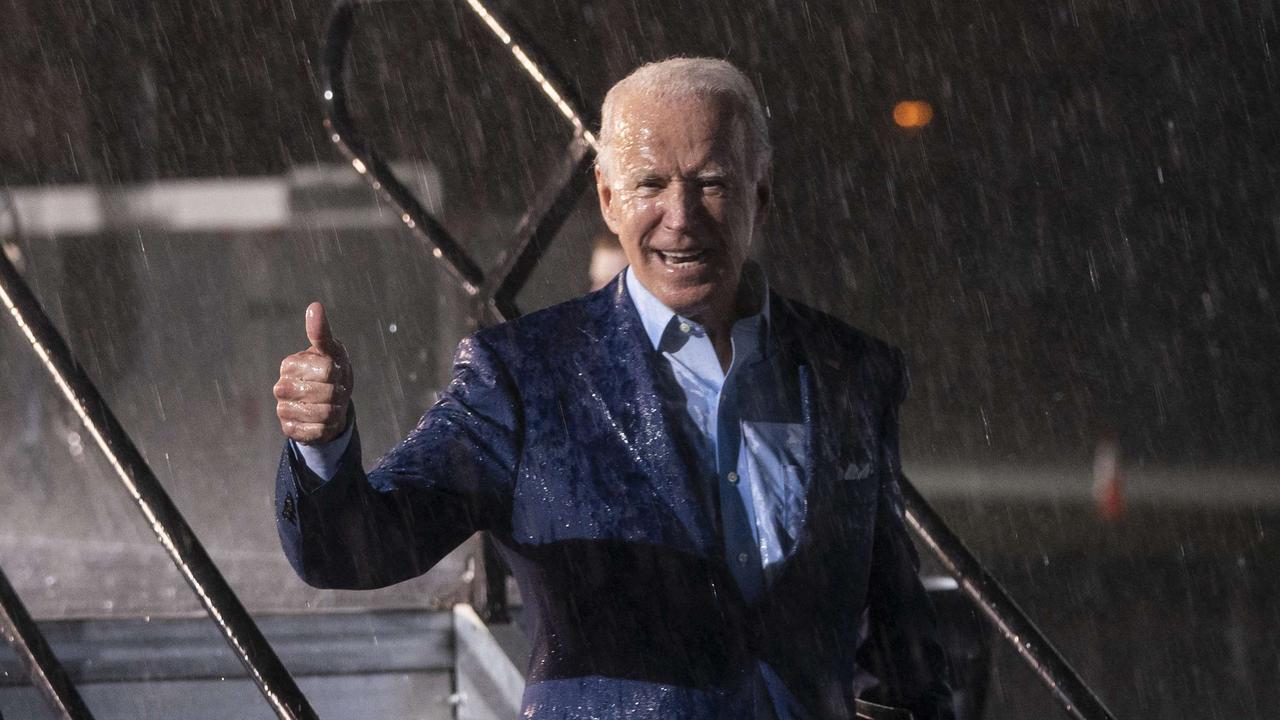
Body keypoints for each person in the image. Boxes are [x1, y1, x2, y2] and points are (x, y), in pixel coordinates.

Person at [273, 57, 954, 720]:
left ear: (763, 193)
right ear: (606, 198)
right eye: (649, 184)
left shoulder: (850, 372)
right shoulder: (525, 376)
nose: (680, 215)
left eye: (712, 182)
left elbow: (894, 636)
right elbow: (355, 548)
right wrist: (322, 448)